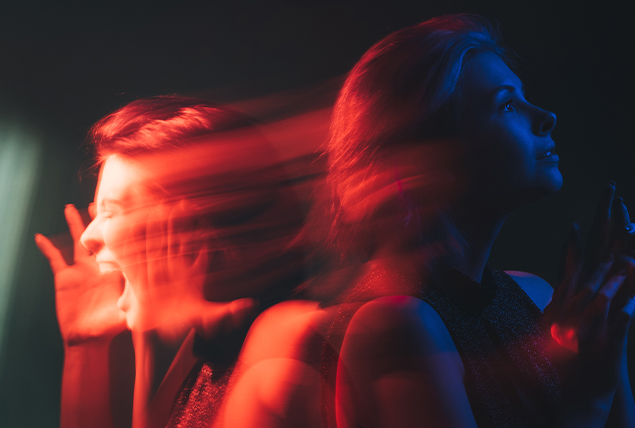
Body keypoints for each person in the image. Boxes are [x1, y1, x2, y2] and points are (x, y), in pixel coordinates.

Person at [221, 14, 635, 428]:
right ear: (431, 151)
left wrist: (610, 324)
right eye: (507, 104)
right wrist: (588, 397)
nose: (546, 116)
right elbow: (591, 407)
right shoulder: (394, 325)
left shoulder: (537, 297)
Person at [35, 96, 310, 428]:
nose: (87, 237)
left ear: (194, 226)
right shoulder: (213, 353)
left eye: (111, 212)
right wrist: (85, 347)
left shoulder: (286, 338)